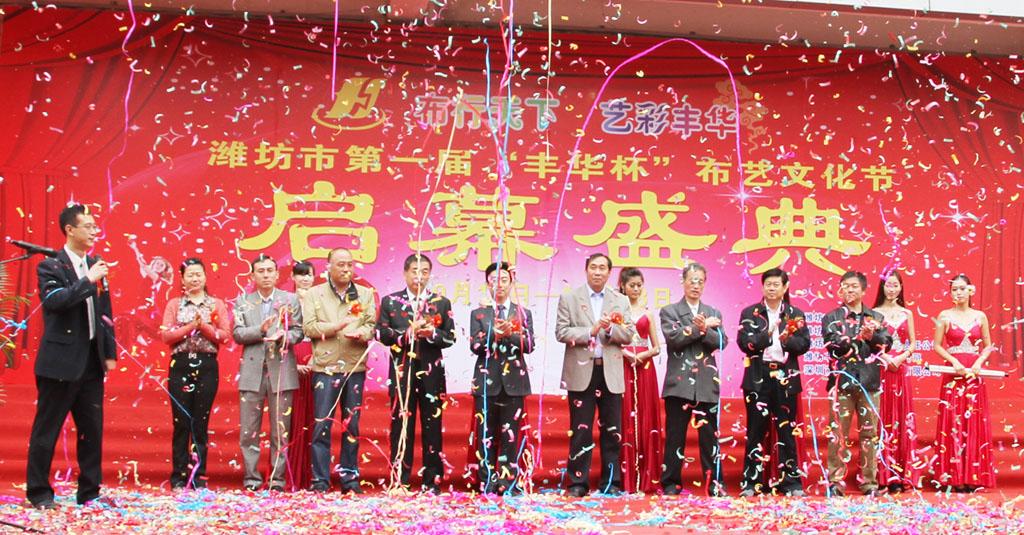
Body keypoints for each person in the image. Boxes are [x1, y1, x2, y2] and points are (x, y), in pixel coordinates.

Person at [26, 204, 117, 509]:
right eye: (88, 226)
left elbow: (105, 314)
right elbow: (56, 302)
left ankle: (90, 493)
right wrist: (87, 280)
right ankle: (39, 492)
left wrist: (109, 353)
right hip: (59, 363)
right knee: (47, 429)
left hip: (91, 362)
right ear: (70, 230)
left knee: (92, 431)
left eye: (95, 227)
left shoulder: (95, 264)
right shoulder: (51, 266)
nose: (94, 232)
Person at [556, 253, 635, 497]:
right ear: (586, 270)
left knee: (612, 430)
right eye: (593, 267)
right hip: (581, 371)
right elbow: (561, 332)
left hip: (610, 371)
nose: (598, 272)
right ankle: (578, 482)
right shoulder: (570, 298)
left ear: (610, 273)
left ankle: (611, 482)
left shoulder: (620, 300)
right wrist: (590, 331)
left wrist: (610, 329)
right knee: (581, 430)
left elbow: (629, 334)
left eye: (602, 268)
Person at [377, 254, 455, 493]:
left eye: (424, 271)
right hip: (402, 373)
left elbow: (450, 337)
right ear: (405, 273)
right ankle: (400, 479)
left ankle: (432, 482)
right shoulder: (390, 302)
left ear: (430, 274)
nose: (419, 276)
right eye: (414, 271)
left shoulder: (441, 302)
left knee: (433, 427)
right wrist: (406, 335)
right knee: (401, 427)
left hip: (432, 375)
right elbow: (381, 334)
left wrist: (432, 334)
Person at [302, 248, 376, 494]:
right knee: (322, 425)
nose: (346, 269)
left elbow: (371, 325)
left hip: (354, 366)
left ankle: (349, 480)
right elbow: (309, 327)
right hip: (325, 367)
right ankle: (320, 481)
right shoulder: (315, 294)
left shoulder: (364, 294)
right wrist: (334, 327)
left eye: (349, 265)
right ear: (328, 267)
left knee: (351, 426)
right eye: (341, 264)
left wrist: (362, 333)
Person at [736, 268, 810, 497]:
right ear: (762, 286)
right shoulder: (750, 313)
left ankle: (792, 483)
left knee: (787, 432)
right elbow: (744, 343)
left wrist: (786, 340)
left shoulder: (795, 314)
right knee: (755, 431)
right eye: (768, 284)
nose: (771, 288)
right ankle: (751, 483)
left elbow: (804, 344)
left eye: (776, 284)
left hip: (785, 378)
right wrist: (767, 335)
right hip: (758, 378)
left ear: (785, 287)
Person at [158, 257, 231, 489]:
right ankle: (179, 476)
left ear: (205, 277)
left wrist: (204, 327)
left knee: (200, 422)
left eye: (199, 274)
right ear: (182, 279)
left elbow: (225, 336)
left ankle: (198, 476)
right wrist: (191, 327)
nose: (195, 278)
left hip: (207, 365)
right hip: (180, 365)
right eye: (190, 274)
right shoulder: (175, 304)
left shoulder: (216, 304)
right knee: (181, 422)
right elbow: (166, 336)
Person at [232, 254, 303, 491]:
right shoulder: (243, 301)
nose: (265, 275)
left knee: (280, 431)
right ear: (253, 275)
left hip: (281, 370)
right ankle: (251, 479)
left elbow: (299, 331)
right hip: (252, 371)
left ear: (277, 274)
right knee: (248, 431)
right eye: (260, 271)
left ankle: (277, 480)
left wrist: (285, 336)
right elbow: (238, 333)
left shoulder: (290, 299)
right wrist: (260, 331)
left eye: (270, 270)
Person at [659, 262, 729, 497]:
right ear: (683, 282)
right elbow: (675, 339)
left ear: (705, 284)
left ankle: (715, 483)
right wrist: (700, 327)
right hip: (679, 385)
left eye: (700, 281)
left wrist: (706, 329)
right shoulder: (670, 311)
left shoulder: (714, 312)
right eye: (692, 280)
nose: (696, 285)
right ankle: (671, 483)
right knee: (675, 437)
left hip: (706, 384)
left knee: (710, 438)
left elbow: (722, 342)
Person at [822, 271, 892, 497]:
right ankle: (835, 481)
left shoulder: (876, 317)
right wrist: (857, 338)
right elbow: (832, 345)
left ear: (863, 290)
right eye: (845, 286)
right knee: (838, 434)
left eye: (853, 286)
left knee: (870, 435)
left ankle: (869, 482)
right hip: (841, 382)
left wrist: (872, 337)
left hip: (869, 383)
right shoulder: (832, 318)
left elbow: (887, 344)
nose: (849, 290)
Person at [468, 261, 535, 495]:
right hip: (486, 383)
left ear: (511, 283)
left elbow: (529, 345)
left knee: (511, 435)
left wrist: (511, 334)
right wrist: (493, 335)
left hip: (515, 383)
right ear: (487, 284)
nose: (499, 285)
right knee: (485, 435)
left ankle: (508, 482)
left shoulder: (523, 313)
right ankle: (487, 482)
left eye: (504, 280)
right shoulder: (479, 314)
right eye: (494, 280)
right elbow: (475, 346)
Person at [933, 274, 996, 492]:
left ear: (971, 290)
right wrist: (953, 361)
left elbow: (988, 345)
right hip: (953, 374)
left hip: (974, 375)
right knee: (953, 422)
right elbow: (937, 345)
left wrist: (979, 362)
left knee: (973, 421)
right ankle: (954, 476)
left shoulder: (980, 316)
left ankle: (973, 475)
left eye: (962, 289)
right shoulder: (944, 315)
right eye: (954, 289)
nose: (958, 293)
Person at [872, 270, 921, 493]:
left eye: (895, 285)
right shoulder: (873, 313)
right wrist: (885, 357)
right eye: (888, 285)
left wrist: (901, 358)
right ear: (882, 287)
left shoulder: (907, 313)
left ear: (901, 288)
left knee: (902, 417)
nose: (891, 289)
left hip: (901, 369)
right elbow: (870, 344)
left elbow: (913, 343)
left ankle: (903, 474)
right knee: (883, 417)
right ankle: (883, 474)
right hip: (881, 369)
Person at [617, 267, 663, 494]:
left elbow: (657, 347)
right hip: (624, 365)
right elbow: (611, 342)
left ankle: (648, 475)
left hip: (644, 367)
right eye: (631, 285)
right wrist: (627, 354)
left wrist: (642, 356)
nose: (635, 289)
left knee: (645, 414)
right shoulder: (616, 313)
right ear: (623, 286)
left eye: (639, 285)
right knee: (625, 414)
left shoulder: (648, 314)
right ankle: (626, 477)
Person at [285, 260, 316, 492]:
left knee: (313, 419)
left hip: (316, 361)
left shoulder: (320, 302)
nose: (305, 278)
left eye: (309, 275)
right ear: (293, 277)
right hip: (290, 361)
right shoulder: (285, 303)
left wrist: (316, 359)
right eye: (301, 274)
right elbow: (279, 336)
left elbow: (325, 335)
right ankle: (288, 474)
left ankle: (311, 475)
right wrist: (292, 365)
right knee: (289, 419)